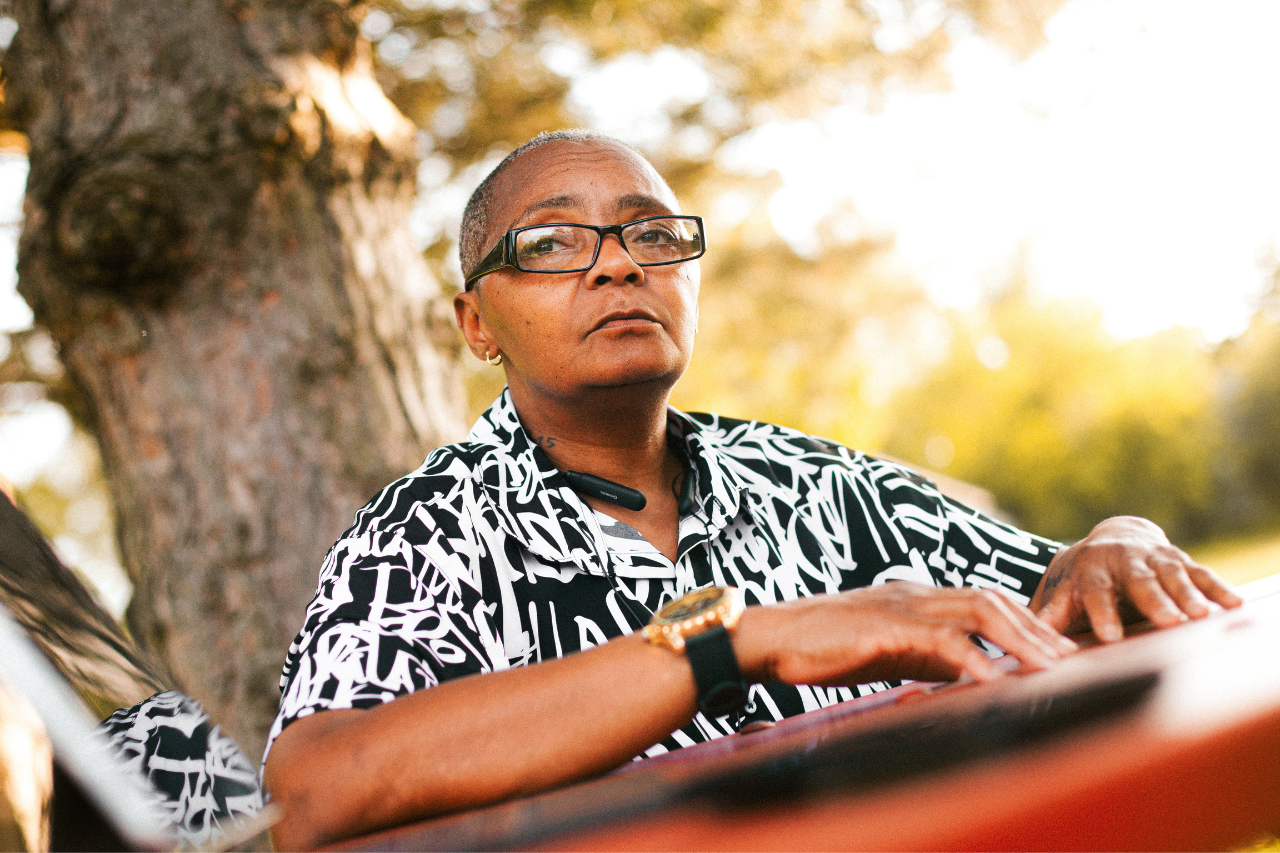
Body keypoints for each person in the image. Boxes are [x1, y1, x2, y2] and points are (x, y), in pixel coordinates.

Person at [262, 130, 1241, 849]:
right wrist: (725, 641)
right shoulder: (421, 534)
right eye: (552, 244)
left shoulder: (817, 481)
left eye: (649, 235)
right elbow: (313, 791)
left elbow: (1056, 590)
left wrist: (1120, 533)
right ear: (476, 322)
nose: (615, 265)